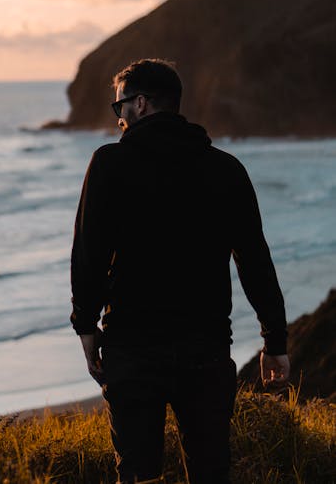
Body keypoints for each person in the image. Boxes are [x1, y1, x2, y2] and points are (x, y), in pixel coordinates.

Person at [70, 58, 290, 484]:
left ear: (142, 104)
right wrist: (275, 339)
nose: (117, 118)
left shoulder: (110, 165)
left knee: (138, 474)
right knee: (210, 473)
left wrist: (86, 326)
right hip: (205, 349)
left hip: (131, 345)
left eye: (120, 108)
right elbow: (254, 260)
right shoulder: (226, 169)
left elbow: (89, 253)